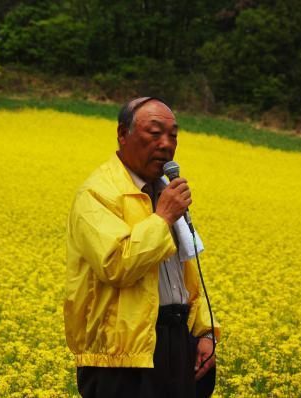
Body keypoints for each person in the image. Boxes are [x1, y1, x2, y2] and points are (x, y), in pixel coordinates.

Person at [64, 97, 220, 398]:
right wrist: (162, 219)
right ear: (123, 135)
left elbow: (183, 276)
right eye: (155, 132)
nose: (166, 144)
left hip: (178, 342)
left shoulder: (164, 192)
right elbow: (116, 265)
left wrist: (205, 332)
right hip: (122, 358)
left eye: (173, 135)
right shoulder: (97, 194)